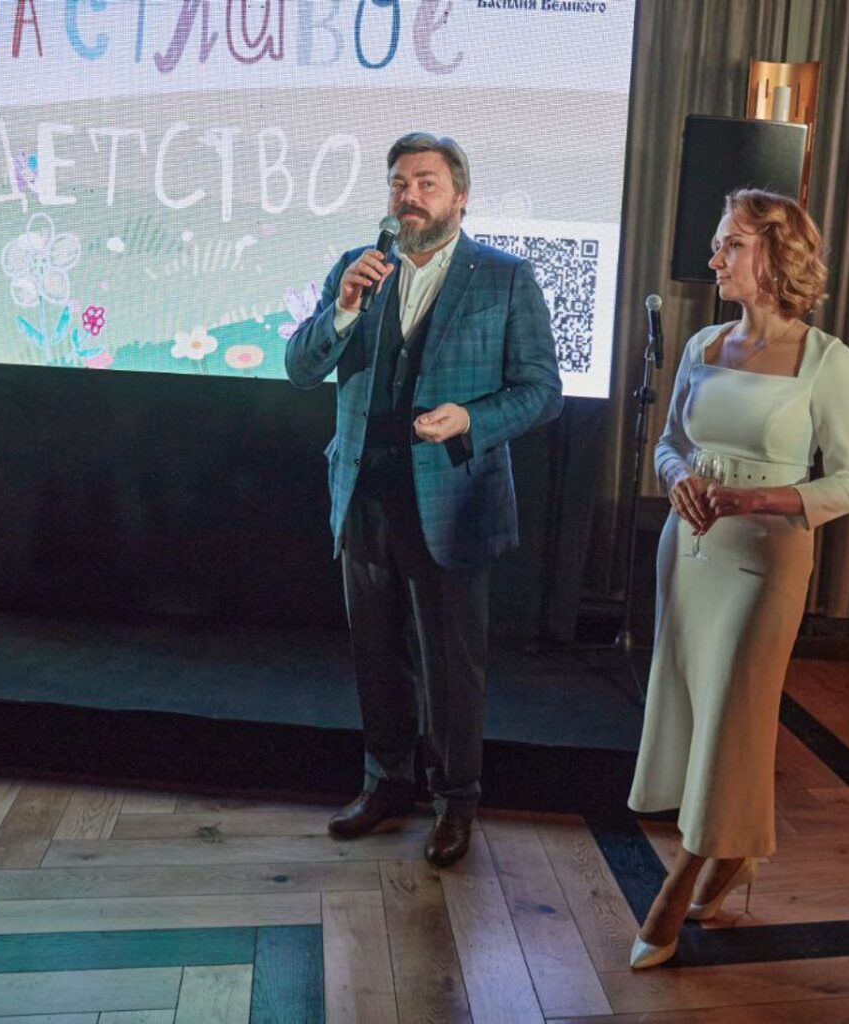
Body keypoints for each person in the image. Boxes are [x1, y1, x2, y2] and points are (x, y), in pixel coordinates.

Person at [284, 133, 563, 868]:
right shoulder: (358, 269)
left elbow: (542, 391)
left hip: (451, 498)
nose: (409, 196)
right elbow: (300, 368)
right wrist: (343, 310)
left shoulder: (504, 278)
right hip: (364, 493)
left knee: (451, 663)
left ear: (460, 196)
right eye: (399, 183)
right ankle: (386, 783)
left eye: (426, 183)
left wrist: (471, 418)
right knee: (376, 654)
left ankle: (455, 800)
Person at [626, 188, 849, 968]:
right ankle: (734, 852)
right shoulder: (702, 345)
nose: (715, 259)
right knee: (703, 713)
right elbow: (669, 443)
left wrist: (760, 500)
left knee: (736, 714)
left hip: (766, 561)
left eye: (730, 244)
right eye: (718, 244)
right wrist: (678, 480)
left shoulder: (826, 361)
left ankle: (680, 884)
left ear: (775, 253)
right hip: (689, 552)